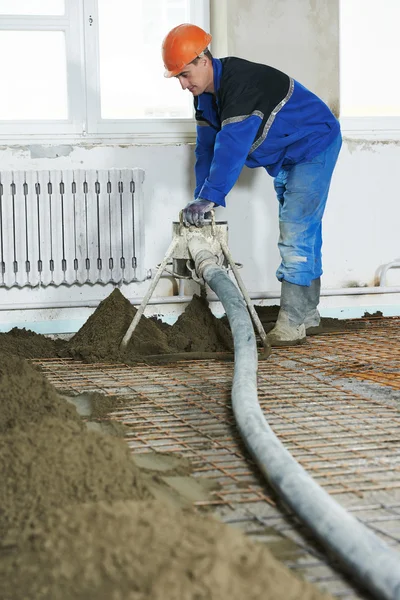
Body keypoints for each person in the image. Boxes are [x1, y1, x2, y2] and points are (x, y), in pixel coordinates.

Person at [161, 23, 342, 347]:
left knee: (296, 231)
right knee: (304, 229)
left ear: (205, 59)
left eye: (186, 74)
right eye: (177, 78)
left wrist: (212, 197)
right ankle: (307, 313)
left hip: (313, 145)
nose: (183, 85)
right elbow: (206, 148)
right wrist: (202, 198)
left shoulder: (239, 85)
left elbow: (230, 146)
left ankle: (292, 323)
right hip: (287, 156)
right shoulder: (205, 98)